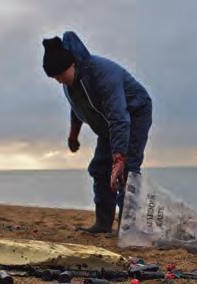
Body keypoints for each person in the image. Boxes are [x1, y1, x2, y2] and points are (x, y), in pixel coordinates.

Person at [42, 32, 152, 233]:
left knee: (126, 170)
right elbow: (77, 109)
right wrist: (73, 136)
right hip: (107, 124)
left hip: (134, 114)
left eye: (60, 75)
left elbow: (119, 117)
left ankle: (130, 227)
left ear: (71, 64)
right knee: (100, 169)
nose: (58, 80)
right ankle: (103, 223)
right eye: (54, 77)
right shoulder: (69, 84)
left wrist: (119, 158)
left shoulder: (102, 74)